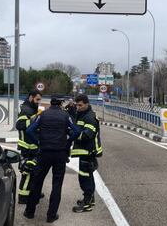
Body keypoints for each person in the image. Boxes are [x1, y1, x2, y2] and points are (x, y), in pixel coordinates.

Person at [24, 95, 80, 223]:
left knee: (37, 182)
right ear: (60, 104)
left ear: (51, 103)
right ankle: (51, 215)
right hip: (60, 153)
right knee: (57, 184)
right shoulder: (66, 116)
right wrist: (68, 142)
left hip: (44, 153)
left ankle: (30, 212)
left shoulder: (42, 115)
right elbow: (76, 131)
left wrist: (38, 142)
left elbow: (29, 130)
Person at [71, 94, 103, 213]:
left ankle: (87, 204)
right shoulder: (82, 114)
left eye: (80, 105)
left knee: (85, 178)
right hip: (85, 152)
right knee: (87, 176)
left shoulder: (89, 117)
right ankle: (90, 199)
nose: (78, 107)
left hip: (88, 152)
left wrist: (72, 134)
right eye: (77, 105)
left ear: (87, 104)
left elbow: (87, 135)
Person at [16, 90, 42, 204]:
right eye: (37, 99)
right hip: (27, 146)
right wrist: (34, 120)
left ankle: (32, 192)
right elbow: (19, 125)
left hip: (32, 145)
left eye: (39, 100)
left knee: (34, 172)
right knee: (27, 171)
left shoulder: (31, 108)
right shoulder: (26, 109)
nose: (38, 102)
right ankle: (23, 197)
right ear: (31, 97)